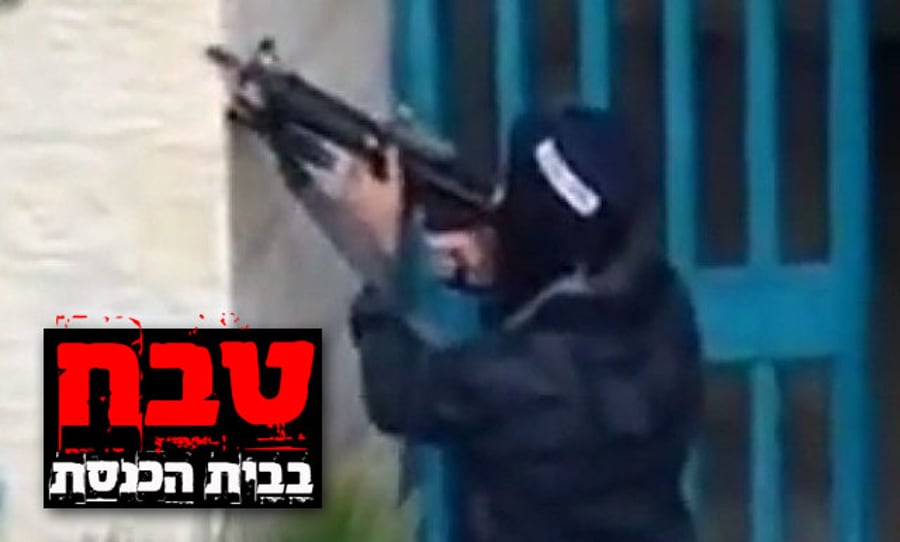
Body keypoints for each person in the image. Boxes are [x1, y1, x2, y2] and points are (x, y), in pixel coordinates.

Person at [341, 105, 703, 542]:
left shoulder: (524, 379)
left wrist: (379, 251)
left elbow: (398, 393)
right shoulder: (662, 308)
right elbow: (568, 310)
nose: (498, 203)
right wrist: (505, 269)